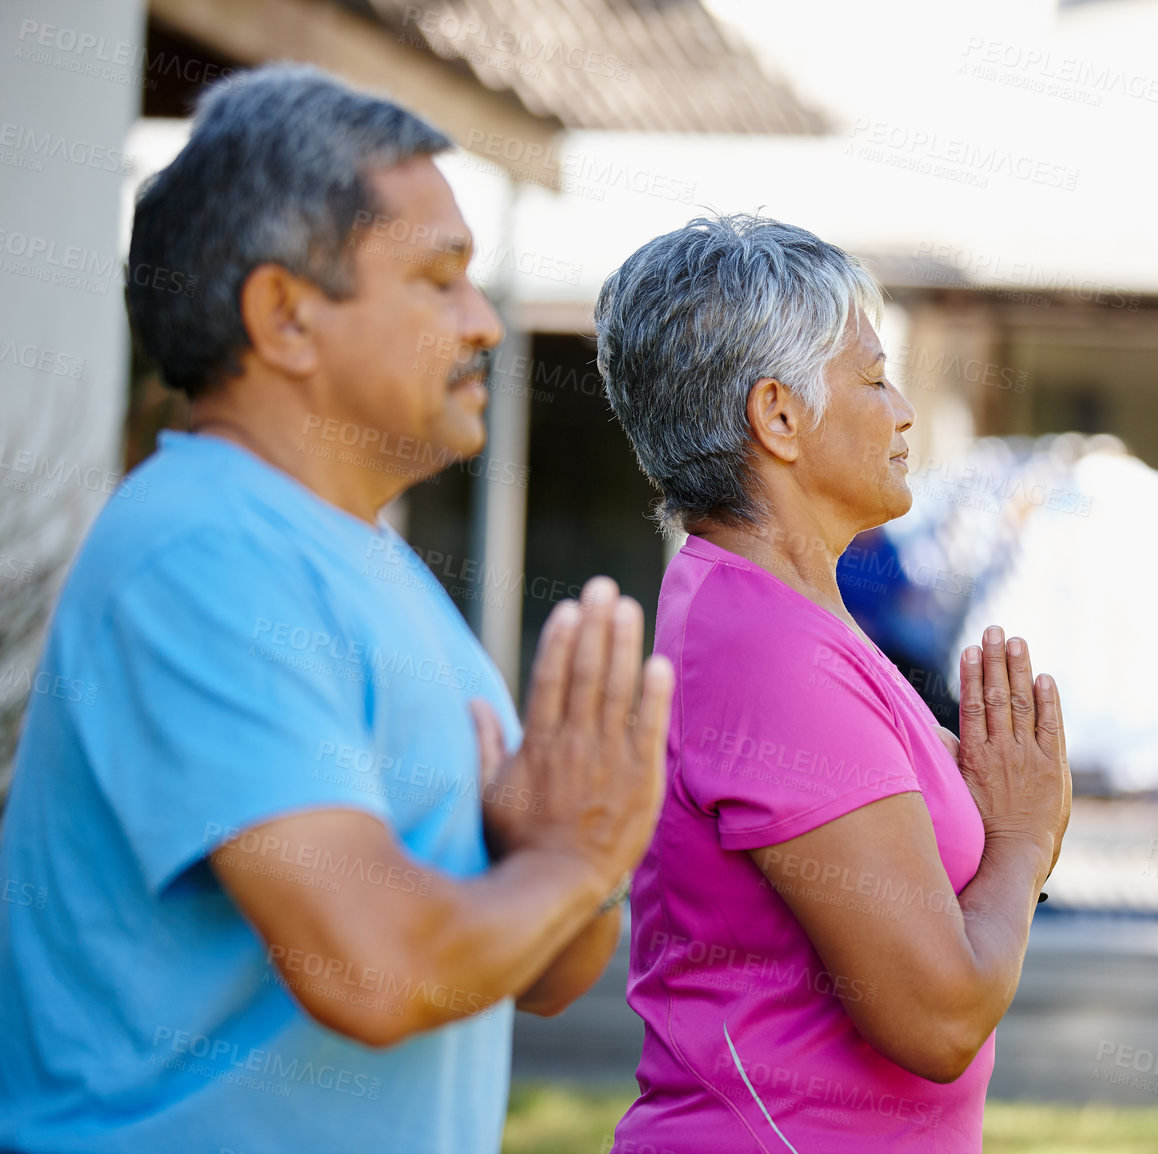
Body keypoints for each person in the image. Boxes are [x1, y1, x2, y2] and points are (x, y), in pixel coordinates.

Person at [0, 64, 670, 1153]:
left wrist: (565, 860)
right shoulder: (202, 551)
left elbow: (545, 972)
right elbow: (374, 968)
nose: (487, 323)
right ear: (286, 316)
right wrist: (570, 863)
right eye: (440, 278)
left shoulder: (373, 563)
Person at [596, 214, 1072, 1152]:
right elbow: (936, 1019)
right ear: (777, 417)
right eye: (873, 377)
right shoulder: (770, 653)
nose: (901, 411)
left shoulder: (789, 619)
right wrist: (1021, 843)